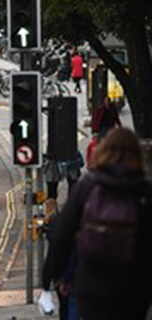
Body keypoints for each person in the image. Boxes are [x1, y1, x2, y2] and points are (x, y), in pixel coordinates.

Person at [45, 128, 152, 320]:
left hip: (92, 283)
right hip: (133, 286)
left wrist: (50, 279)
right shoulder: (145, 192)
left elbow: (62, 235)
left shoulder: (87, 187)